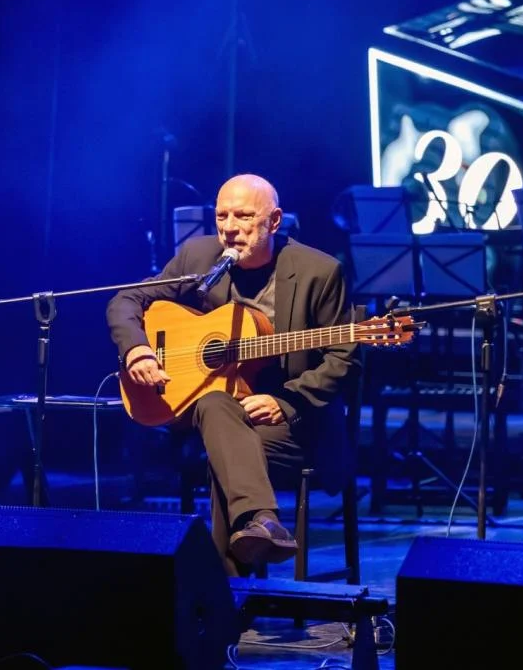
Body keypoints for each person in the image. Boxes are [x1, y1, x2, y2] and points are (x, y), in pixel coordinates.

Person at [107, 174, 358, 572]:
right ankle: (261, 524)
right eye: (222, 216)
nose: (229, 227)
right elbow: (127, 300)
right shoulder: (199, 258)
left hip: (296, 424)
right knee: (214, 407)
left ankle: (229, 589)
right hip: (220, 413)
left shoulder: (319, 271)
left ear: (274, 221)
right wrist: (138, 350)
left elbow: (345, 358)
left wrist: (285, 402)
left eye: (243, 216)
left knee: (225, 452)